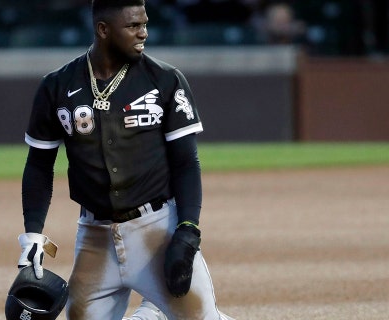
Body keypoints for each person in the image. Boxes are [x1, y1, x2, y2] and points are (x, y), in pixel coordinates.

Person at [17, 0, 234, 319]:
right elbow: (39, 164)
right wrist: (33, 233)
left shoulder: (165, 79)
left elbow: (187, 163)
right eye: (133, 26)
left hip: (156, 231)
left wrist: (187, 231)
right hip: (94, 237)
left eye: (145, 24)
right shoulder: (57, 85)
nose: (143, 33)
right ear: (103, 30)